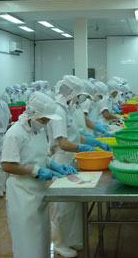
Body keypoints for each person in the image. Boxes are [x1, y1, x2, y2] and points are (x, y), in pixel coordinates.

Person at [2, 91, 75, 258]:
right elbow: (7, 165)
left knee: (41, 238)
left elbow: (41, 155)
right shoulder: (15, 134)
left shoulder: (39, 131)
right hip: (22, 194)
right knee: (27, 241)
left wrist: (54, 165)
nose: (46, 123)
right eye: (44, 119)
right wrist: (35, 171)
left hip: (39, 192)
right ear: (31, 113)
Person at [47, 75, 96, 257]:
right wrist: (83, 147)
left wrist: (90, 141)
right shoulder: (58, 111)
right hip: (62, 161)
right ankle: (59, 243)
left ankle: (71, 240)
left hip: (72, 158)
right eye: (77, 95)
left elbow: (74, 135)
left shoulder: (67, 108)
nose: (79, 99)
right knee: (63, 206)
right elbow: (63, 143)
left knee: (73, 204)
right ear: (70, 92)